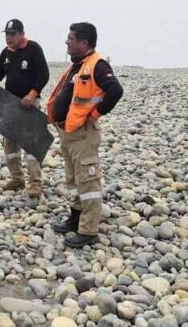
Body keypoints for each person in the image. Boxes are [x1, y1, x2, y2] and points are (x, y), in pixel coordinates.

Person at [47, 23, 123, 248]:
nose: (66, 42)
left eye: (71, 38)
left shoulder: (97, 65)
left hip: (83, 134)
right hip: (69, 132)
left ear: (84, 43)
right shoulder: (78, 65)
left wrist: (96, 113)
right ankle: (75, 218)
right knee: (73, 180)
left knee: (88, 182)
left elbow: (115, 90)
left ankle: (89, 231)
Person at [0, 19, 50, 200]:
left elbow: (44, 75)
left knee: (30, 145)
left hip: (29, 104)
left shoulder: (34, 49)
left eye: (13, 34)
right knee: (10, 145)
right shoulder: (6, 53)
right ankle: (17, 178)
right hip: (9, 104)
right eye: (7, 34)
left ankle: (35, 183)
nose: (9, 38)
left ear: (21, 34)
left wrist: (32, 94)